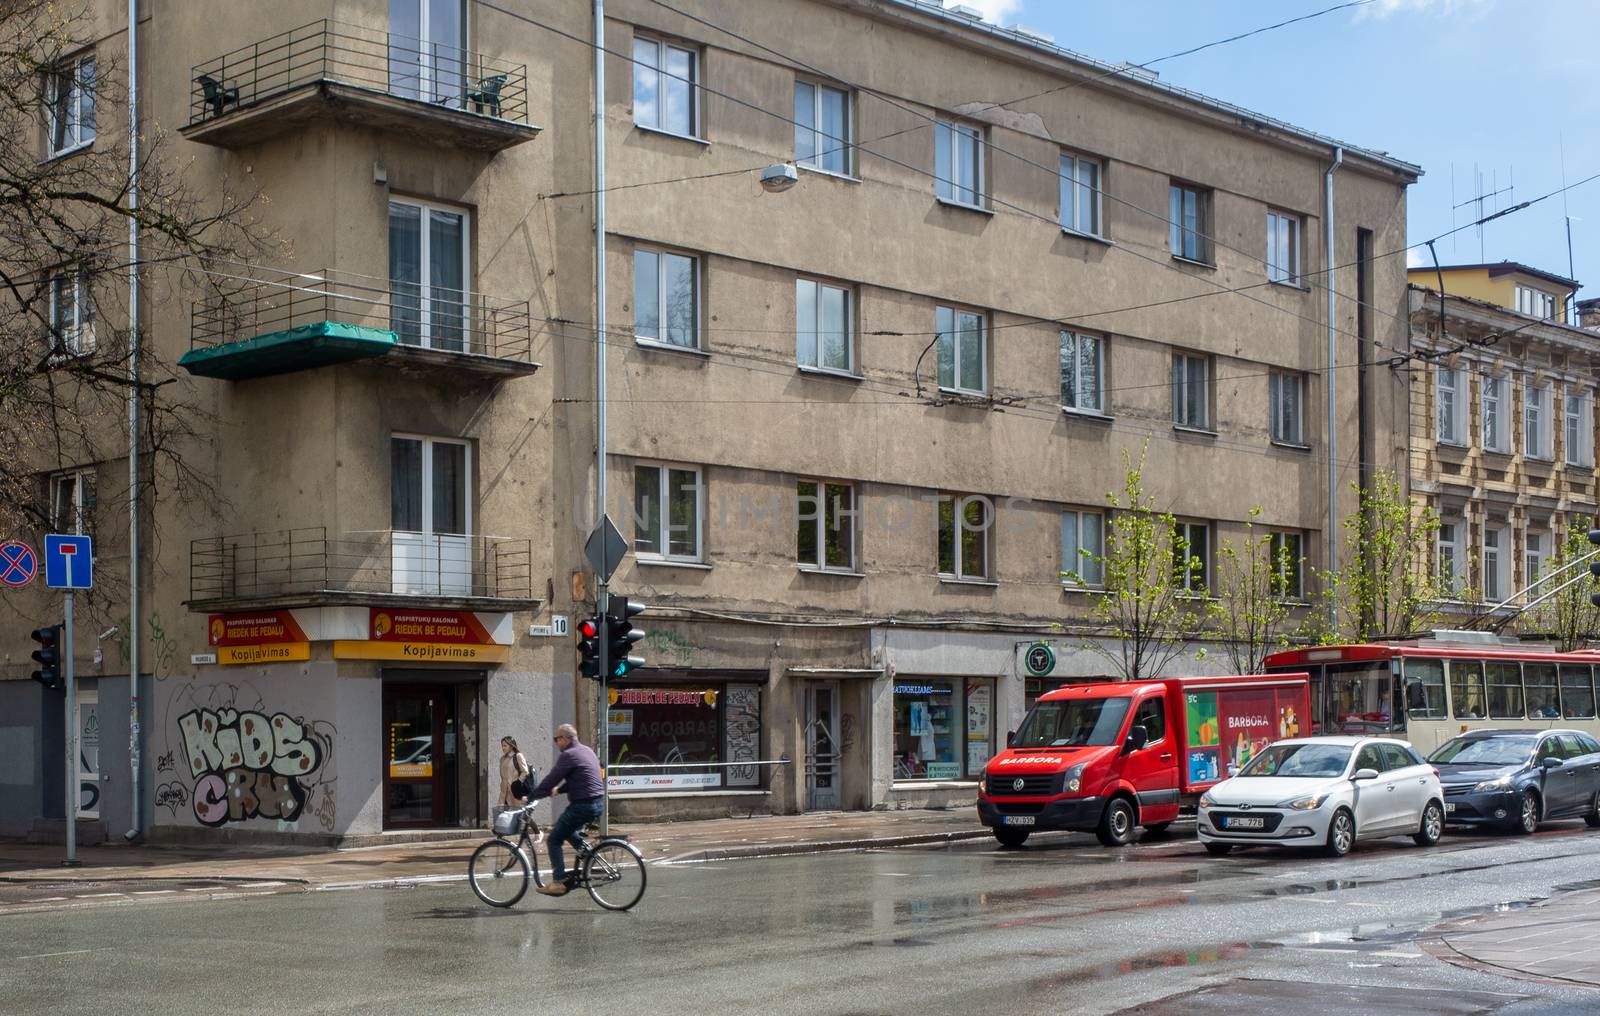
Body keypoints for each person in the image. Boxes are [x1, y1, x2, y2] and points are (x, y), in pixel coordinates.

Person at [527, 723, 605, 896]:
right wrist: (560, 790)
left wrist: (532, 796)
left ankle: (559, 881)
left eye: (557, 739)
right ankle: (588, 855)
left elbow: (551, 778)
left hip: (582, 805)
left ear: (565, 739)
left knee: (554, 839)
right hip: (598, 803)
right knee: (568, 830)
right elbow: (582, 778)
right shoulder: (586, 750)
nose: (556, 743)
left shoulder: (568, 755)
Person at [497, 736, 531, 813]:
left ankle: (531, 823)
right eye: (502, 746)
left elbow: (525, 771)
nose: (503, 748)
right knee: (502, 817)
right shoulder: (502, 759)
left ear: (511, 746)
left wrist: (518, 783)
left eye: (505, 745)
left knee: (519, 816)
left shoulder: (518, 756)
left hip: (515, 792)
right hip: (504, 793)